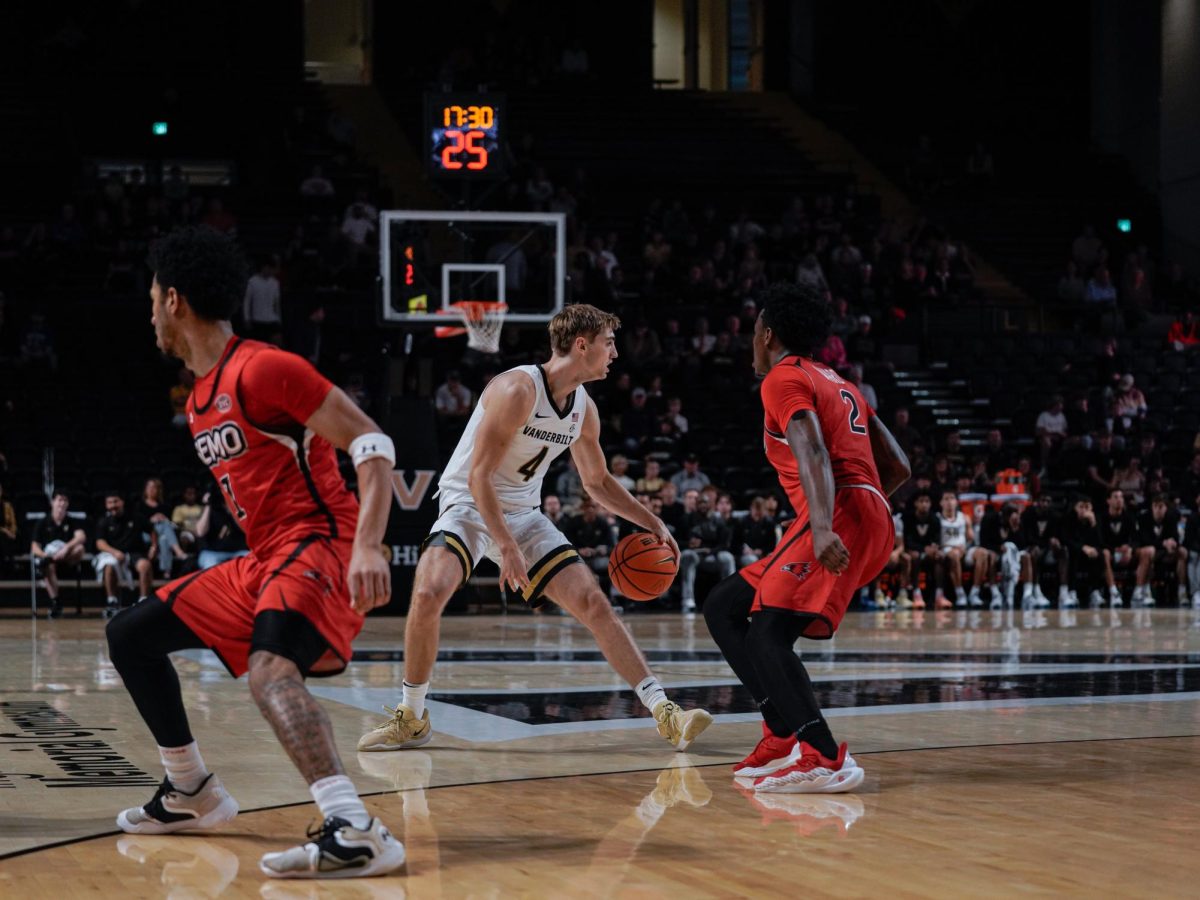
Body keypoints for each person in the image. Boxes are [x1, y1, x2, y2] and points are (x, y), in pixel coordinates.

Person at [104, 226, 404, 878]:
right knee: (130, 635)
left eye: (153, 298)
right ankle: (191, 791)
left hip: (320, 544)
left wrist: (369, 546)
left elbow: (373, 445)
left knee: (270, 672)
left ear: (174, 299)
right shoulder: (201, 396)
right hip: (263, 559)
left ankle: (355, 826)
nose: (150, 311)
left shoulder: (263, 368)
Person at [357, 304, 712, 756]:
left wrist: (653, 521)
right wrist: (505, 546)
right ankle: (411, 716)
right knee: (428, 592)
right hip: (469, 505)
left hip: (524, 513)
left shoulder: (584, 407)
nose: (615, 353)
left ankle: (665, 712)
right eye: (609, 343)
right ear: (581, 345)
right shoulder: (516, 389)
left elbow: (598, 482)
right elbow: (478, 477)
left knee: (593, 602)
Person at [701, 282, 909, 795]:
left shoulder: (783, 378)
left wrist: (824, 527)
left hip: (836, 514)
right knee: (724, 606)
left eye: (754, 333)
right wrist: (864, 513)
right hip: (866, 509)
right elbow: (899, 466)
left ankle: (821, 753)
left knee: (767, 633)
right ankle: (780, 732)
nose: (752, 343)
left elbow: (812, 450)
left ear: (768, 334)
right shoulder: (840, 381)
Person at [95, 490, 156, 615]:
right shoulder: (104, 521)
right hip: (113, 554)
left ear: (122, 502)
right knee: (108, 566)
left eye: (115, 501)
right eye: (109, 503)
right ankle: (112, 601)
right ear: (106, 505)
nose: (113, 505)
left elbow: (152, 530)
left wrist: (154, 546)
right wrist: (114, 552)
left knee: (145, 565)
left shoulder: (135, 517)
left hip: (135, 553)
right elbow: (99, 543)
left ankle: (143, 600)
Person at [30, 490, 87, 619]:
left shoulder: (71, 521)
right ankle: (56, 602)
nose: (62, 503)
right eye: (59, 500)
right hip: (50, 560)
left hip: (68, 559)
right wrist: (46, 556)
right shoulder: (42, 522)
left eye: (65, 500)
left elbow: (81, 536)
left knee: (79, 548)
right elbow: (34, 547)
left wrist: (66, 548)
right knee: (46, 565)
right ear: (52, 502)